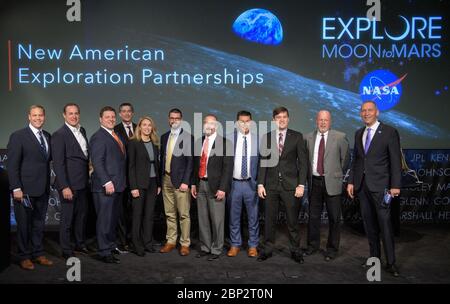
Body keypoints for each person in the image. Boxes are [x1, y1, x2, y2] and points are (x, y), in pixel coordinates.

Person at [347, 101, 402, 277]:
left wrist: (395, 185)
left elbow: (395, 161)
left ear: (377, 112)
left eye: (369, 110)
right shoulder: (359, 133)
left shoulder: (389, 132)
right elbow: (356, 160)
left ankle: (391, 263)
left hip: (382, 188)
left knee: (385, 226)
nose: (366, 113)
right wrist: (351, 182)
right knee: (369, 226)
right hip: (362, 187)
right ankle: (374, 260)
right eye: (363, 111)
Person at [257, 106, 308, 264]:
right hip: (271, 185)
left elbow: (303, 163)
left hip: (291, 186)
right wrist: (260, 184)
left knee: (292, 222)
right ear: (274, 120)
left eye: (284, 117)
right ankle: (267, 250)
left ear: (288, 119)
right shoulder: (267, 137)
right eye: (278, 117)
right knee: (269, 221)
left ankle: (295, 251)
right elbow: (263, 163)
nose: (282, 119)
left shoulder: (297, 137)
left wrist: (301, 184)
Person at [7, 105, 53, 270]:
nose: (38, 118)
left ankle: (38, 253)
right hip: (24, 191)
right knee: (24, 225)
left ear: (44, 117)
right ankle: (24, 256)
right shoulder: (18, 136)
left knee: (39, 224)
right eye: (34, 115)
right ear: (29, 117)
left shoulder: (47, 136)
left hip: (42, 189)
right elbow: (12, 166)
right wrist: (16, 188)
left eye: (41, 115)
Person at [304, 110, 349, 261]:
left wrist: (333, 174)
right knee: (313, 217)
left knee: (334, 218)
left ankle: (332, 249)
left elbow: (345, 161)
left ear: (330, 122)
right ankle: (312, 245)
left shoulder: (340, 137)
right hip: (314, 182)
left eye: (326, 120)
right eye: (320, 120)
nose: (323, 123)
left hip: (332, 183)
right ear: (316, 121)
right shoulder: (307, 137)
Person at [191, 114, 233, 261]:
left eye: (211, 123)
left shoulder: (225, 143)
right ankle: (205, 247)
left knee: (217, 220)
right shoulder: (199, 142)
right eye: (205, 123)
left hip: (216, 186)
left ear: (216, 125)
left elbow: (228, 168)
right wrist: (193, 184)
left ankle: (216, 249)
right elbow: (196, 165)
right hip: (201, 183)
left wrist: (223, 188)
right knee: (202, 218)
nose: (208, 126)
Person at [51, 103, 90, 260]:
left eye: (76, 113)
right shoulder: (59, 134)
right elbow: (58, 163)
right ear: (64, 115)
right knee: (67, 219)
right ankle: (66, 249)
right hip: (69, 184)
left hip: (82, 183)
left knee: (81, 216)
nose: (74, 116)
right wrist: (65, 186)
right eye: (70, 113)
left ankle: (79, 244)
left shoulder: (83, 130)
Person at [90, 106, 126, 264]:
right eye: (107, 117)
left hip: (117, 186)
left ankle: (110, 246)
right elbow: (97, 162)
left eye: (113, 117)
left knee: (112, 220)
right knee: (104, 220)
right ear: (100, 119)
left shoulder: (115, 134)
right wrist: (106, 181)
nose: (111, 119)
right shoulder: (98, 137)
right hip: (105, 187)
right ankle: (104, 251)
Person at [159, 109, 194, 256]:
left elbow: (190, 162)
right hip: (166, 179)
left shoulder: (188, 137)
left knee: (183, 214)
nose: (174, 121)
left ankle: (184, 243)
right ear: (169, 119)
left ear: (181, 120)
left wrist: (186, 182)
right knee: (169, 213)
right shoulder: (164, 137)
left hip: (181, 182)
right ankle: (171, 241)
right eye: (172, 118)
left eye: (177, 118)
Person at [227, 111, 260, 258]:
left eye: (247, 121)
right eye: (242, 121)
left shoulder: (258, 140)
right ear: (237, 123)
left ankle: (253, 245)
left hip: (250, 184)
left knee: (253, 217)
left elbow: (262, 165)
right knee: (234, 217)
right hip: (234, 184)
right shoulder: (228, 139)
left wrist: (259, 183)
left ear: (251, 123)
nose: (244, 124)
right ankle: (235, 244)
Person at [128, 117, 161, 257]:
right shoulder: (133, 143)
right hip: (139, 184)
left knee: (149, 215)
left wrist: (159, 183)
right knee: (137, 215)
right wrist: (133, 187)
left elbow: (156, 165)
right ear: (139, 127)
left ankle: (147, 243)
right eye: (144, 125)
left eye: (149, 125)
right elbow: (131, 166)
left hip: (153, 184)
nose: (147, 127)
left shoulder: (154, 143)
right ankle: (137, 245)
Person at [113, 102, 136, 252]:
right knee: (121, 212)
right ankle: (122, 241)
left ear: (132, 113)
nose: (127, 114)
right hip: (121, 177)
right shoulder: (114, 130)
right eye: (124, 111)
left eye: (129, 111)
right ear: (120, 114)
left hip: (136, 178)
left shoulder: (140, 128)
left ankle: (134, 238)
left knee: (134, 211)